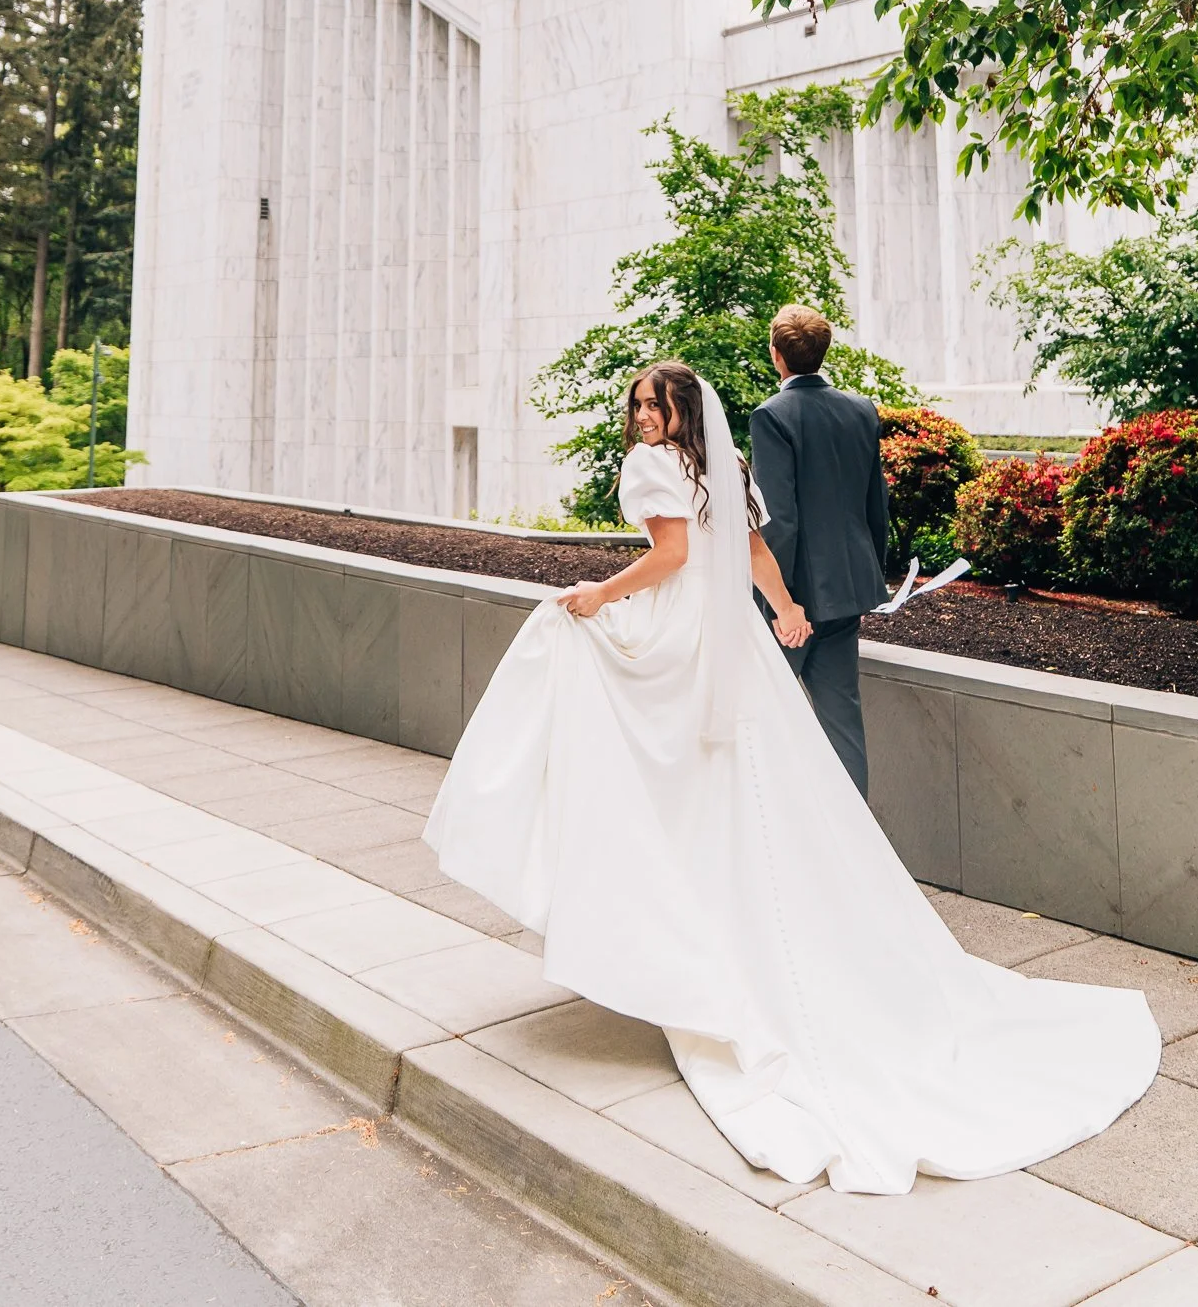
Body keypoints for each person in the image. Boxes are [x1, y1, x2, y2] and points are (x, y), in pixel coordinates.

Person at [424, 358, 1160, 1194]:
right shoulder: (722, 466)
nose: (643, 418)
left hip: (680, 634)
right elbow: (746, 549)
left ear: (679, 410)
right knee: (746, 775)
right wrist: (780, 608)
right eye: (637, 407)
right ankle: (710, 910)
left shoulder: (651, 469)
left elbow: (670, 556)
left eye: (654, 405)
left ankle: (674, 914)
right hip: (728, 635)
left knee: (597, 688)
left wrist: (599, 593)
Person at [749, 303, 886, 794]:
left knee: (759, 719)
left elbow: (778, 521)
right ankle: (858, 853)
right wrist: (872, 573)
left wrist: (774, 603)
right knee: (842, 726)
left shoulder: (772, 415)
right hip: (847, 591)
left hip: (793, 602)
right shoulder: (861, 408)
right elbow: (876, 505)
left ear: (776, 356)